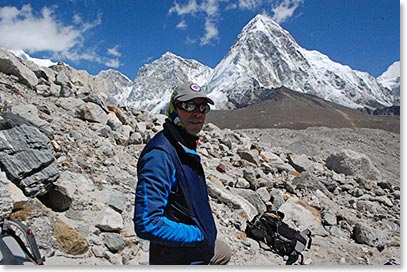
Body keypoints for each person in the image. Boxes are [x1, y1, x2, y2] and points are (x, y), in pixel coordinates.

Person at [134, 82, 232, 265]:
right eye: (188, 106)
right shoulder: (160, 156)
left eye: (203, 108)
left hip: (196, 249)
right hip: (178, 257)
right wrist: (198, 234)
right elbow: (147, 223)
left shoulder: (183, 146)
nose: (197, 113)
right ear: (173, 109)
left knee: (224, 252)